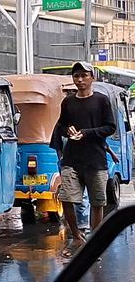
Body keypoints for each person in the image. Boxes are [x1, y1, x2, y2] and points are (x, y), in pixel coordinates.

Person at [50, 61, 116, 255]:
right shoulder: (68, 102)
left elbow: (110, 127)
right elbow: (60, 126)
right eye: (76, 76)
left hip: (96, 160)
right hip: (72, 159)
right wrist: (67, 130)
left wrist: (86, 133)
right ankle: (78, 236)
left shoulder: (102, 101)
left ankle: (93, 242)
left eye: (83, 76)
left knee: (98, 202)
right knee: (67, 198)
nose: (79, 80)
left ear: (91, 78)